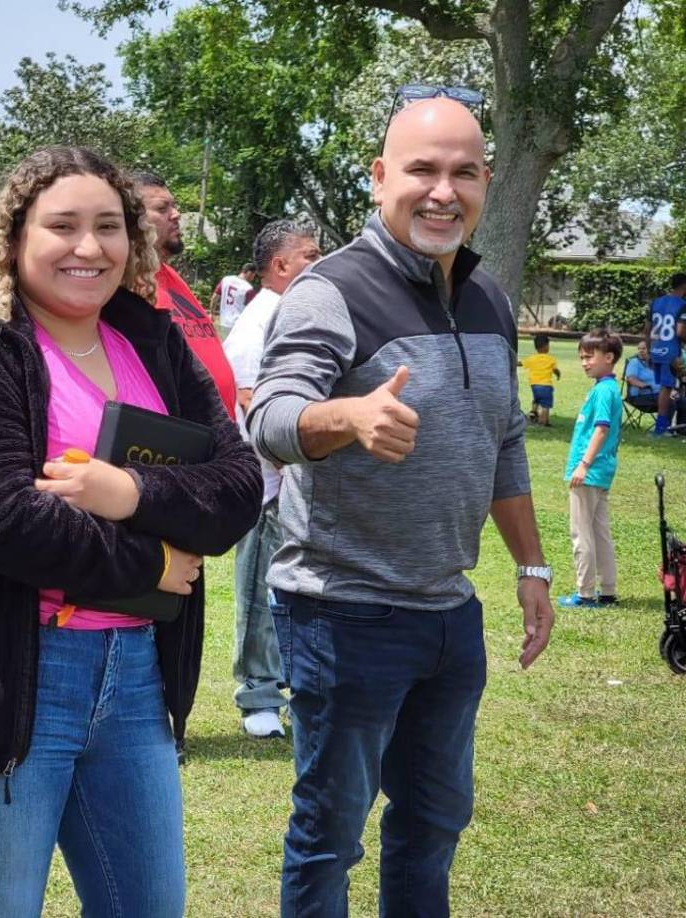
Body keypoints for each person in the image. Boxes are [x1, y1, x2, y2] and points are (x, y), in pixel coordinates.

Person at [0, 146, 262, 918]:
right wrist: (147, 565)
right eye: (61, 225)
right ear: (15, 238)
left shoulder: (154, 342)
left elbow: (237, 489)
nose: (88, 247)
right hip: (10, 676)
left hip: (136, 677)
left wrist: (126, 490)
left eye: (108, 226)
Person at [248, 96, 555, 917]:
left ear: (486, 181)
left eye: (462, 172)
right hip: (344, 616)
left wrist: (531, 566)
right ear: (381, 176)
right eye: (421, 169)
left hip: (449, 615)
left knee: (434, 822)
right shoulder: (330, 291)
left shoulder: (489, 296)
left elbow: (504, 442)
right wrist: (346, 417)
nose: (441, 191)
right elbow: (268, 418)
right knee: (331, 835)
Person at [222, 219, 321, 739]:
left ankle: (283, 683)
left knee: (287, 591)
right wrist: (290, 466)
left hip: (293, 481)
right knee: (260, 591)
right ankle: (257, 694)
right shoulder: (259, 322)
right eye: (310, 255)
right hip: (267, 484)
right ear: (280, 265)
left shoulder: (290, 312)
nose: (319, 262)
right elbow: (250, 399)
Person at [134, 171, 237, 414]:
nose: (176, 214)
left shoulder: (171, 276)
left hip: (217, 436)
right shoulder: (129, 283)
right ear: (134, 219)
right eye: (162, 208)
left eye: (174, 205)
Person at [559, 329, 625, 608]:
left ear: (608, 357)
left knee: (581, 532)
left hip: (589, 473)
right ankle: (607, 590)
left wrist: (583, 465)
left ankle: (585, 593)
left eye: (589, 357)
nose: (584, 362)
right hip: (602, 473)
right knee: (600, 533)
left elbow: (601, 430)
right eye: (581, 358)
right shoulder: (610, 389)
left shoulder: (602, 391)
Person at [644, 272, 686, 435]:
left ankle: (665, 426)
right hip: (670, 352)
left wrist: (648, 351)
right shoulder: (682, 304)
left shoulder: (656, 302)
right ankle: (660, 428)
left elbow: (647, 330)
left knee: (666, 388)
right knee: (666, 388)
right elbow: (681, 331)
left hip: (656, 350)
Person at [520, 332, 561, 426]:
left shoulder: (532, 358)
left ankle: (533, 413)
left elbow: (521, 363)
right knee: (546, 405)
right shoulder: (551, 359)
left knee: (537, 400)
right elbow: (555, 370)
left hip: (534, 385)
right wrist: (558, 375)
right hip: (546, 385)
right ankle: (543, 422)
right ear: (546, 346)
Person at [214, 262, 257, 329]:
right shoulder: (248, 288)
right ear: (249, 273)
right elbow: (252, 309)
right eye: (254, 275)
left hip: (224, 323)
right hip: (238, 326)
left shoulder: (226, 280)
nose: (253, 278)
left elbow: (215, 297)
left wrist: (212, 313)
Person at [625, 338, 660, 410]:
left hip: (657, 394)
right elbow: (631, 379)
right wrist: (646, 386)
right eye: (639, 349)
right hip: (641, 397)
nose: (641, 351)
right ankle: (664, 421)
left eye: (644, 348)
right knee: (670, 401)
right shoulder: (634, 362)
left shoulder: (653, 364)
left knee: (682, 401)